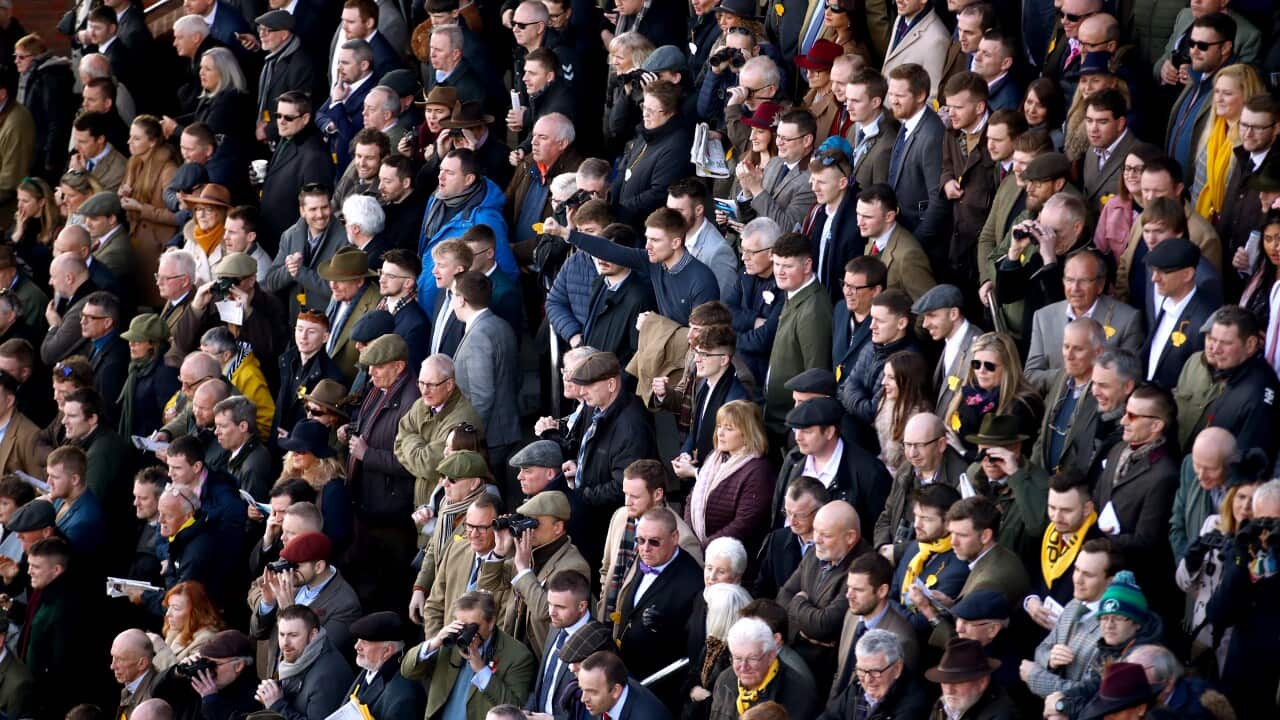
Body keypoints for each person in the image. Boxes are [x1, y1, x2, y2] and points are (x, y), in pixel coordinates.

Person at [778, 500, 867, 696]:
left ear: (850, 537)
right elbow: (783, 595)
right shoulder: (816, 552)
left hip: (823, 675)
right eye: (816, 531)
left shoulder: (861, 570)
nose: (816, 539)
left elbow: (824, 626)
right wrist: (807, 624)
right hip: (797, 655)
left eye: (825, 535)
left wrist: (799, 601)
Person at [402, 590, 536, 719]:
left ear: (491, 622)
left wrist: (482, 670)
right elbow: (407, 671)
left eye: (472, 626)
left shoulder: (518, 656)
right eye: (461, 624)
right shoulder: (449, 643)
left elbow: (516, 710)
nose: (465, 632)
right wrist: (434, 642)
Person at [1024, 249, 1145, 392]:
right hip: (1054, 408)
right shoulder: (1044, 317)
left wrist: (1083, 374)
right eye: (1069, 280)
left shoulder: (1127, 319)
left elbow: (1126, 378)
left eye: (1084, 281)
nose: (1075, 288)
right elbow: (1030, 376)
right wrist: (1073, 373)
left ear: (1100, 285)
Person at [450, 271, 520, 481]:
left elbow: (482, 396)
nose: (451, 302)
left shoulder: (478, 337)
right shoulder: (501, 325)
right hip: (504, 428)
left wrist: (469, 438)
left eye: (452, 295)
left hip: (490, 436)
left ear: (461, 300)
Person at [763, 233, 833, 438]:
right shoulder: (793, 293)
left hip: (790, 424)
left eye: (787, 266)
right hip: (778, 417)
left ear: (807, 265)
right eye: (776, 264)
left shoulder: (814, 311)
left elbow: (815, 373)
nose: (779, 272)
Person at [258, 91, 334, 249]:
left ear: (305, 119)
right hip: (273, 238)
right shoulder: (286, 139)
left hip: (291, 247)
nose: (281, 122)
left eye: (288, 118)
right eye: (278, 116)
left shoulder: (315, 156)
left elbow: (315, 211)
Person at [252, 604, 354, 720]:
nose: (285, 642)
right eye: (281, 634)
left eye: (293, 635)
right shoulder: (298, 652)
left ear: (313, 635)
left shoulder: (327, 676)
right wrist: (271, 694)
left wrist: (277, 706)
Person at [708, 617, 818, 720]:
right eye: (737, 658)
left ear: (770, 656)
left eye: (752, 658)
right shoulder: (724, 680)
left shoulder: (799, 694)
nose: (743, 667)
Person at [344, 611, 426, 720]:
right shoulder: (371, 666)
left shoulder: (402, 698)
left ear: (387, 651)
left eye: (365, 642)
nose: (356, 646)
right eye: (358, 640)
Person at [924, 637, 1016, 719]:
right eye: (944, 682)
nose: (948, 691)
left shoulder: (1001, 715)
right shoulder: (943, 703)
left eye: (957, 683)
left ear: (982, 683)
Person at [181, 629, 259, 720]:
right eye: (205, 662)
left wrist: (211, 700)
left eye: (213, 665)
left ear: (238, 666)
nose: (208, 670)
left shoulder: (256, 696)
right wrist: (177, 672)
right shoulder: (201, 684)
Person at [576, 650, 672, 720]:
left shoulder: (646, 716)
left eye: (592, 692)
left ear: (616, 691)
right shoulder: (614, 681)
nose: (583, 698)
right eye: (582, 689)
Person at [156, 580, 225, 667]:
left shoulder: (206, 639)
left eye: (176, 608)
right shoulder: (175, 629)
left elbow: (179, 675)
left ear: (196, 612)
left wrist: (160, 648)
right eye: (169, 606)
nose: (168, 614)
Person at [112, 628, 162, 720]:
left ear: (142, 664)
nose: (112, 666)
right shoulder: (130, 688)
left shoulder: (156, 697)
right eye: (113, 657)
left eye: (120, 659)